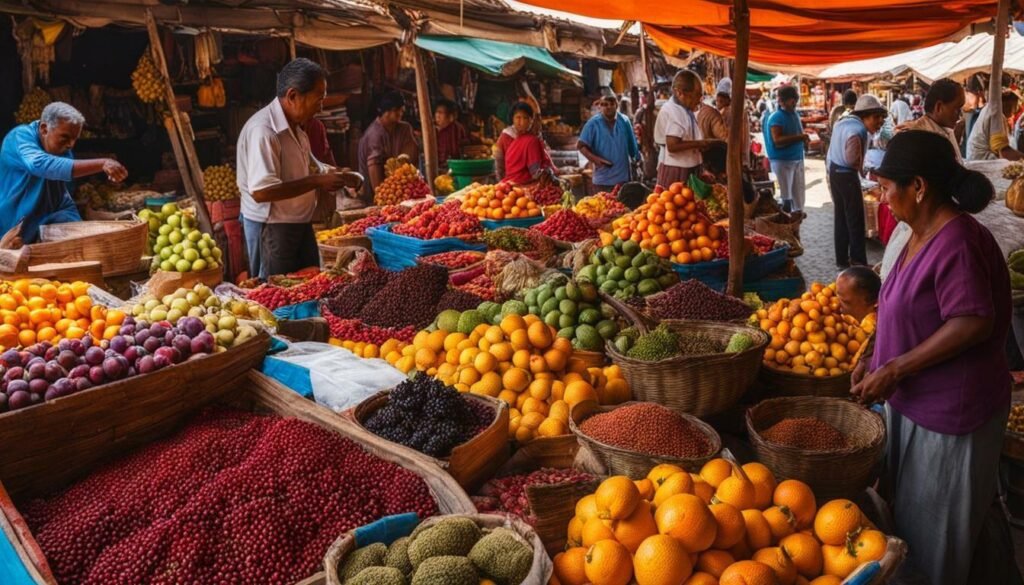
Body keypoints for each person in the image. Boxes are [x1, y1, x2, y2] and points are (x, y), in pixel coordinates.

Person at [851, 130, 1011, 585]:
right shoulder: (917, 233)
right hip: (914, 405)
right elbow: (901, 304)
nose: (882, 198)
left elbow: (972, 320)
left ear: (918, 187)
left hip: (951, 415)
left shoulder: (958, 242)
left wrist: (896, 367)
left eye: (886, 187)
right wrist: (873, 352)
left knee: (934, 541)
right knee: (915, 526)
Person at [236, 58, 355, 278]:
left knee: (308, 286)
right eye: (318, 100)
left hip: (298, 223)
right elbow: (262, 191)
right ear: (293, 96)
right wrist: (318, 182)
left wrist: (336, 174)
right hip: (272, 226)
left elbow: (311, 166)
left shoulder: (298, 130)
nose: (320, 108)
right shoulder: (264, 131)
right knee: (274, 295)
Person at [0, 102, 127, 245]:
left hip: (34, 234)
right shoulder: (20, 137)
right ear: (44, 129)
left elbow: (61, 200)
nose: (71, 145)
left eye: (74, 139)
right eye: (65, 137)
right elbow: (39, 165)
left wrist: (79, 230)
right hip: (7, 230)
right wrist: (102, 164)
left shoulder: (63, 152)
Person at [826, 95, 888, 268]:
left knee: (841, 218)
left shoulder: (841, 122)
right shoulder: (858, 129)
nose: (879, 122)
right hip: (846, 175)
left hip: (834, 172)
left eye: (881, 118)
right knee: (855, 220)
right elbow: (851, 159)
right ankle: (859, 261)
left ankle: (841, 261)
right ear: (864, 116)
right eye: (876, 117)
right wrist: (865, 169)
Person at [653, 70, 719, 187]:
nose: (699, 101)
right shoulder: (674, 112)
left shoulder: (685, 109)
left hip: (689, 168)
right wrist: (700, 143)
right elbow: (672, 145)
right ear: (680, 93)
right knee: (677, 203)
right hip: (677, 170)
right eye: (695, 96)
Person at [358, 91, 419, 200]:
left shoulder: (404, 129)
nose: (401, 113)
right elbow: (374, 167)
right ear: (386, 112)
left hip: (400, 189)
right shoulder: (374, 135)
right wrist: (383, 197)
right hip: (375, 193)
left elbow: (409, 154)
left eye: (401, 110)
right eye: (397, 110)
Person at [578, 94, 639, 193]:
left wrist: (636, 160)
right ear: (600, 107)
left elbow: (632, 146)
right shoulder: (592, 123)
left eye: (612, 104)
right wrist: (595, 160)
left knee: (623, 207)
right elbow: (581, 146)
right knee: (603, 206)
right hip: (602, 179)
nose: (608, 107)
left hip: (623, 178)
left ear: (616, 105)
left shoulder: (624, 120)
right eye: (605, 104)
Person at [765, 85, 809, 214]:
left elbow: (797, 133)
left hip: (797, 160)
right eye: (791, 100)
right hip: (782, 162)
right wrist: (800, 137)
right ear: (783, 101)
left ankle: (796, 223)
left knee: (799, 198)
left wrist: (803, 140)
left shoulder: (794, 114)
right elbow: (777, 140)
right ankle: (786, 226)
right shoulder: (776, 117)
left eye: (795, 100)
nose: (794, 103)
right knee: (786, 199)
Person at [900, 78, 965, 161]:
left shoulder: (946, 130)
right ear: (939, 107)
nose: (960, 115)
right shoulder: (917, 136)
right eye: (957, 109)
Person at [494, 102, 556, 185]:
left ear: (531, 120)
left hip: (510, 181)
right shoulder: (507, 136)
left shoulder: (530, 136)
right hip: (519, 182)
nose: (522, 122)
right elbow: (535, 171)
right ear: (512, 119)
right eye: (518, 118)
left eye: (525, 118)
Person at [966, 89, 1023, 161]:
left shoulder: (990, 110)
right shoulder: (996, 115)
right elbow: (1005, 152)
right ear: (1008, 105)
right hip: (982, 163)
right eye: (1015, 106)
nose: (1015, 111)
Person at [715, 78, 751, 168]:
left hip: (733, 150)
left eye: (721, 101)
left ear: (728, 100)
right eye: (717, 101)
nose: (718, 104)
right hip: (739, 150)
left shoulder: (727, 111)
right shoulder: (738, 109)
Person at [434, 99, 468, 167]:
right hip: (437, 166)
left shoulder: (457, 128)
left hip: (455, 165)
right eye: (436, 112)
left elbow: (463, 146)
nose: (437, 116)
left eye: (441, 112)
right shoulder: (433, 130)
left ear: (450, 116)